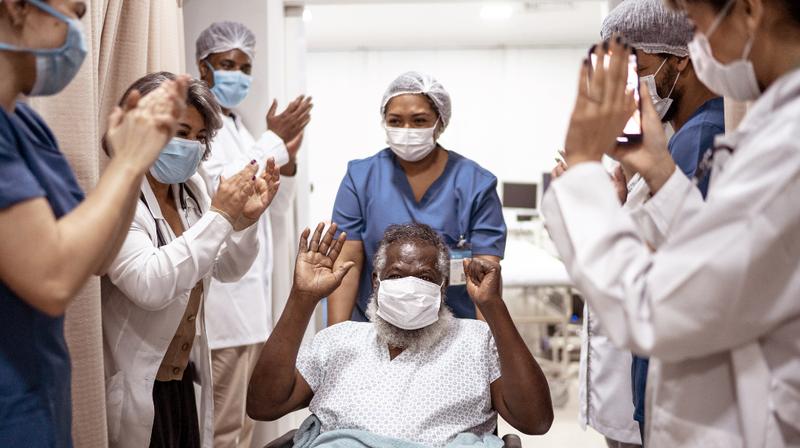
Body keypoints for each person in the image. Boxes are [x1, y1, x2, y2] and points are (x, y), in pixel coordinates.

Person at [541, 0, 800, 445]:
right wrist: (660, 171)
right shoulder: (773, 128)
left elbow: (655, 307)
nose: (698, 48)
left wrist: (584, 172)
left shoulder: (788, 143)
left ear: (750, 11)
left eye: (696, 27)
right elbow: (719, 258)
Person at [0, 1, 186, 446]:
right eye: (73, 12)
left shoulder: (25, 123)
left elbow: (98, 256)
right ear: (16, 7)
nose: (76, 33)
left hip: (40, 396)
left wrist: (134, 164)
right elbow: (51, 278)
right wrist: (126, 164)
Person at [557, 2, 727, 446]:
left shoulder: (700, 137)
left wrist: (585, 189)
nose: (625, 87)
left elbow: (678, 276)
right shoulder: (675, 139)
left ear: (681, 59)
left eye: (636, 69)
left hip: (680, 389)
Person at [247, 222, 553, 447]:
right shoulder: (338, 341)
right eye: (395, 276)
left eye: (424, 277)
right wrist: (302, 299)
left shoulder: (476, 341)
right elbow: (264, 405)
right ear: (376, 282)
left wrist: (494, 308)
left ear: (442, 287)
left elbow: (535, 421)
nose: (409, 286)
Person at [101, 72, 280, 448]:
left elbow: (228, 269)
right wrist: (220, 218)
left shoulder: (192, 190)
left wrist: (244, 222)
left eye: (200, 138)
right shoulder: (118, 195)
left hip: (182, 379)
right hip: (136, 379)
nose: (192, 147)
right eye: (180, 132)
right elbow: (149, 285)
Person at [194, 21, 313, 447]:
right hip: (223, 311)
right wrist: (272, 140)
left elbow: (268, 207)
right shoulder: (200, 127)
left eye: (246, 67)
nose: (239, 75)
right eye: (228, 64)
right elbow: (224, 189)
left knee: (243, 427)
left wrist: (287, 162)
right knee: (224, 429)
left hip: (251, 309)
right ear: (203, 68)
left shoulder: (240, 128)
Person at [328, 71, 507, 324]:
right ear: (384, 122)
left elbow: (486, 275)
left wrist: (488, 348)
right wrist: (336, 339)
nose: (407, 130)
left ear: (440, 122)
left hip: (453, 330)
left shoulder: (476, 184)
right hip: (375, 329)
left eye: (420, 120)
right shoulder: (361, 178)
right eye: (396, 121)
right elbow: (347, 264)